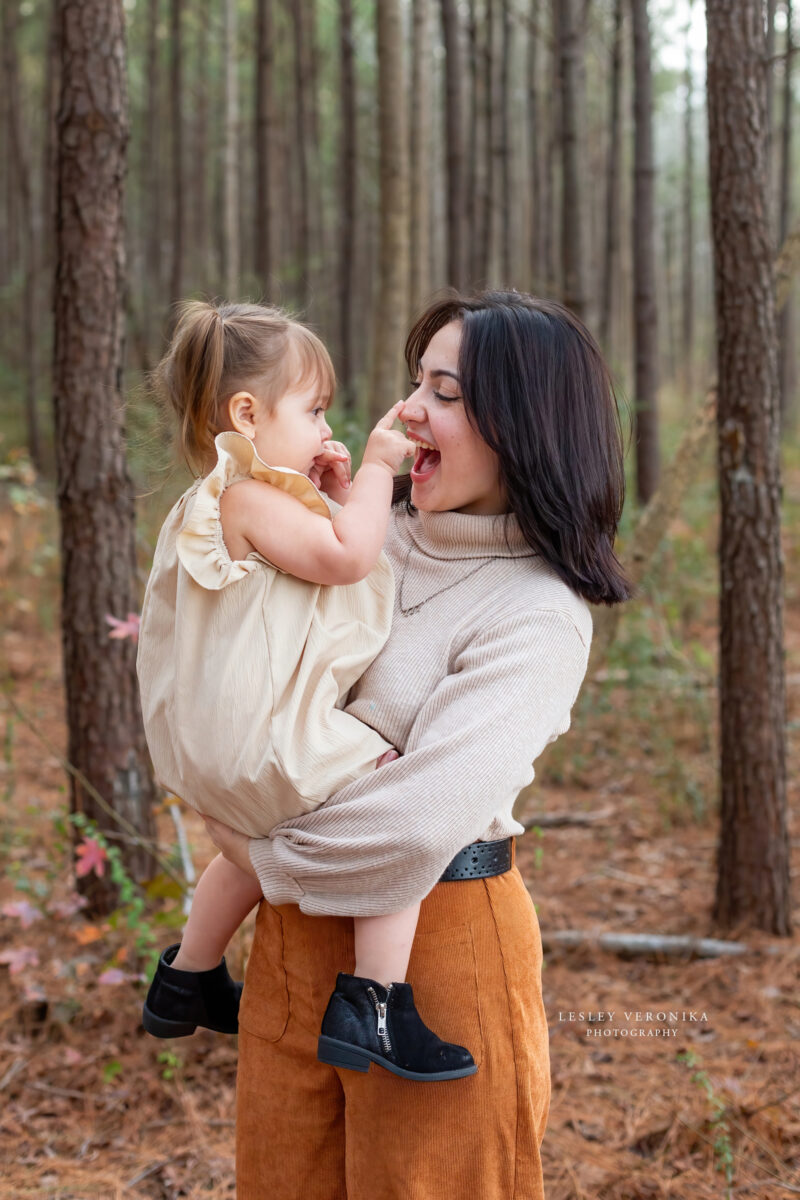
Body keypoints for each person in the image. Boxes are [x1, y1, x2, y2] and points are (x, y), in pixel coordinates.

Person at [202, 290, 635, 1199]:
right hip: (292, 942)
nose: (406, 413)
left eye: (443, 391)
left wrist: (248, 847)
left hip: (436, 952)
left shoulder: (537, 614)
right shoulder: (357, 536)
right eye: (415, 385)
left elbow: (414, 821)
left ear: (521, 425)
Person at [136, 300, 477, 1082]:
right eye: (314, 409)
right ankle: (375, 1005)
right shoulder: (247, 499)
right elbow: (351, 559)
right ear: (247, 414)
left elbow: (317, 554)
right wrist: (380, 470)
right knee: (398, 818)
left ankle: (186, 976)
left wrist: (329, 490)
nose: (329, 426)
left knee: (256, 853)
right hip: (270, 743)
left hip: (214, 750)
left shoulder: (220, 502)